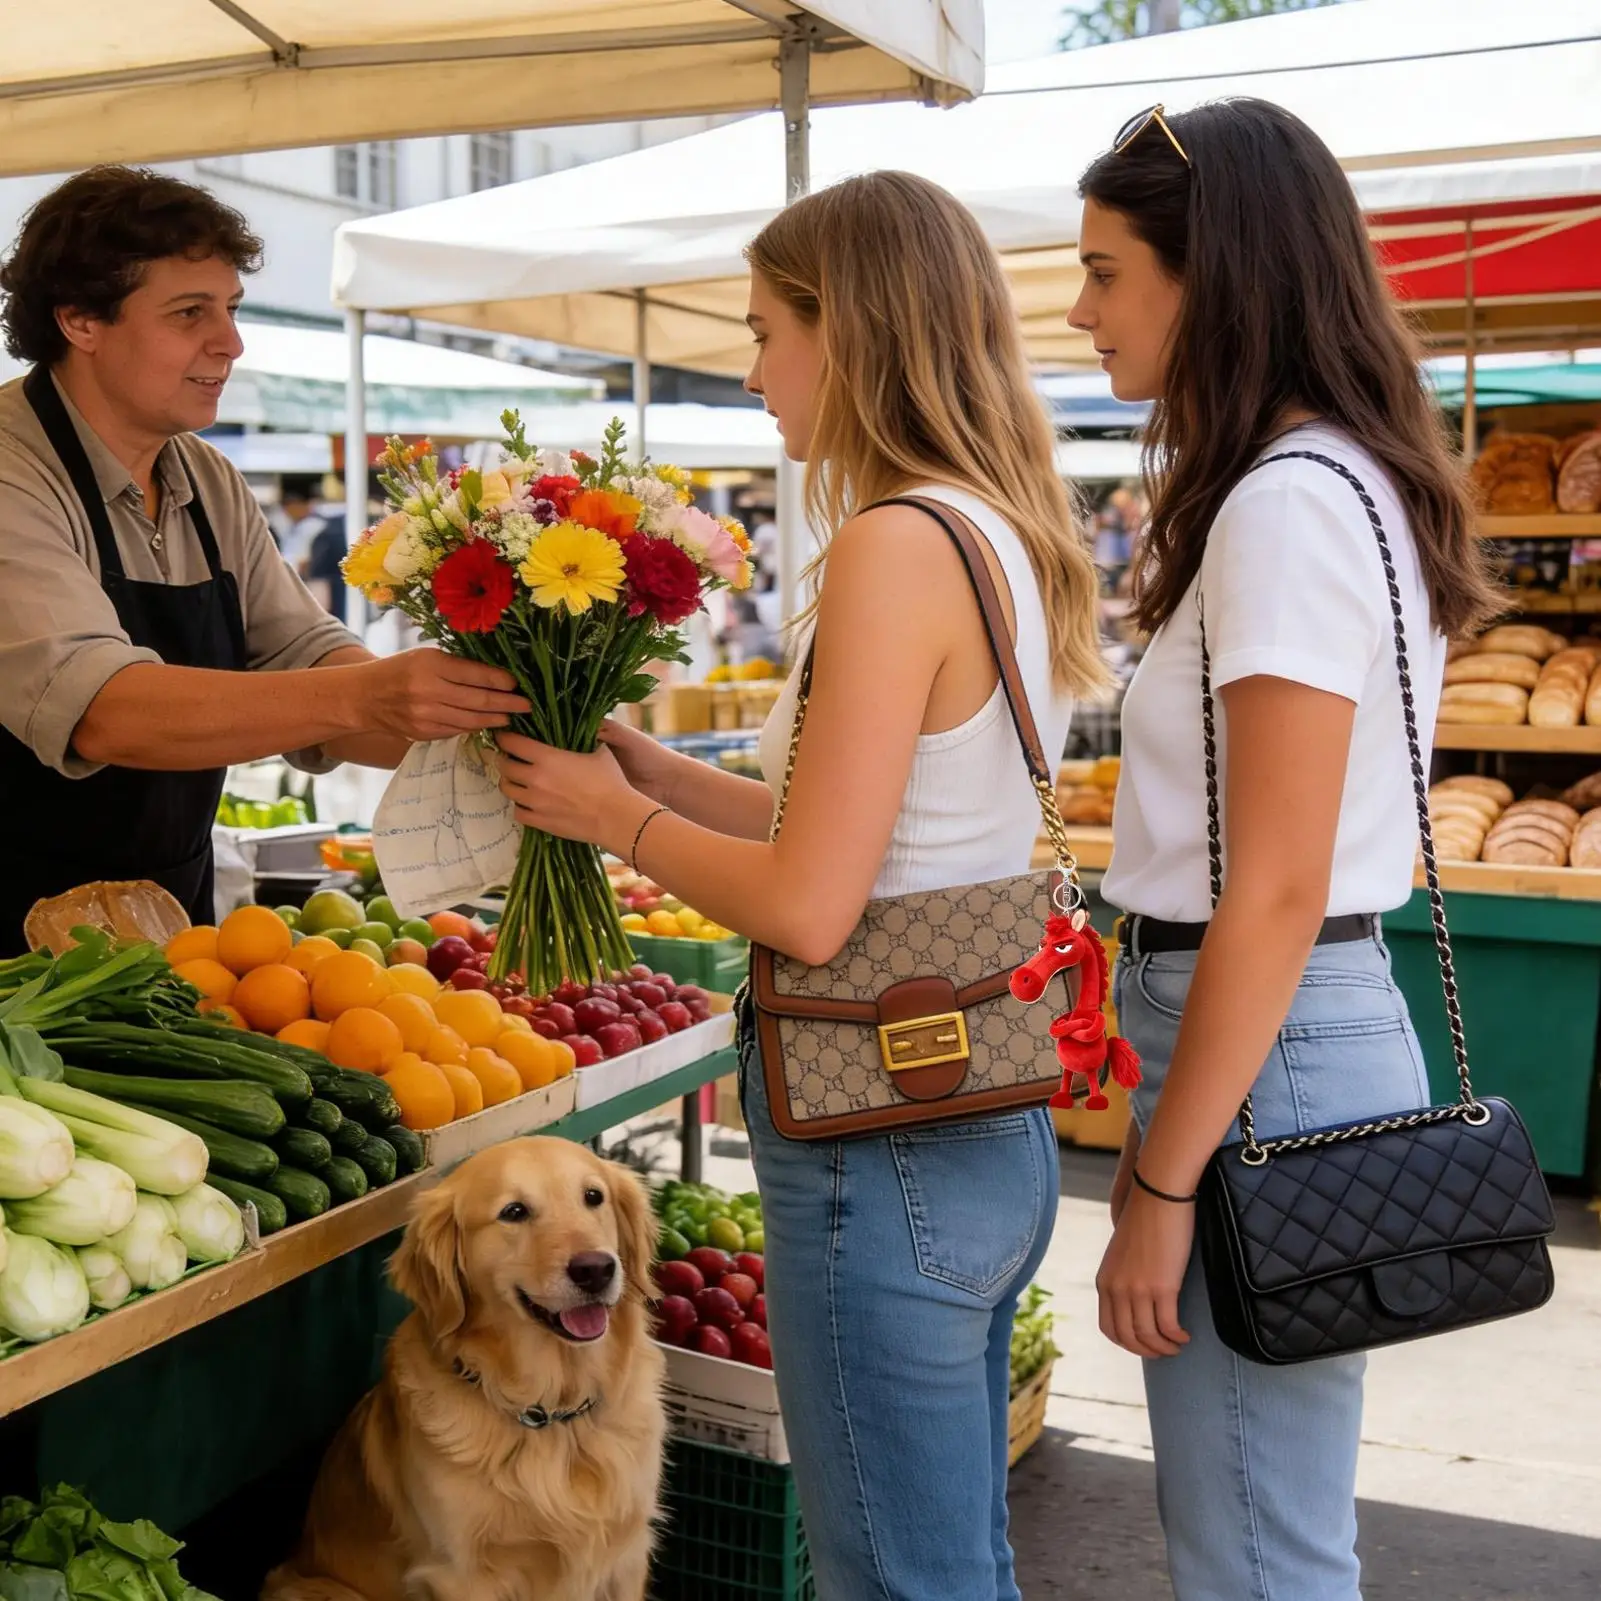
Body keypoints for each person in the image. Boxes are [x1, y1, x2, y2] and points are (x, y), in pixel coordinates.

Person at [491, 170, 1106, 1599]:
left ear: (856, 332)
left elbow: (813, 906)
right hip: (971, 1113)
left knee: (895, 1575)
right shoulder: (989, 527)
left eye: (769, 329)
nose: (756, 367)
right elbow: (850, 831)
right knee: (946, 1560)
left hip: (877, 1129)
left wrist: (609, 819)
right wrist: (639, 775)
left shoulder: (896, 543)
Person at [1068, 100, 1501, 1599]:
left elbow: (1275, 881)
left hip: (1264, 1043)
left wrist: (1161, 1181)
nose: (1081, 310)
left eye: (1107, 270)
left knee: (1254, 1544)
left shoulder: (1287, 505)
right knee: (1268, 1527)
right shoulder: (1339, 485)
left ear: (1216, 274)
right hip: (1290, 1029)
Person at [0, 166, 529, 952]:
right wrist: (375, 694)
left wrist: (500, 740)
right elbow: (105, 711)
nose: (231, 342)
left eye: (232, 309)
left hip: (171, 936)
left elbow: (306, 659)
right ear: (79, 319)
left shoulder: (206, 477)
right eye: (190, 313)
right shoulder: (13, 466)